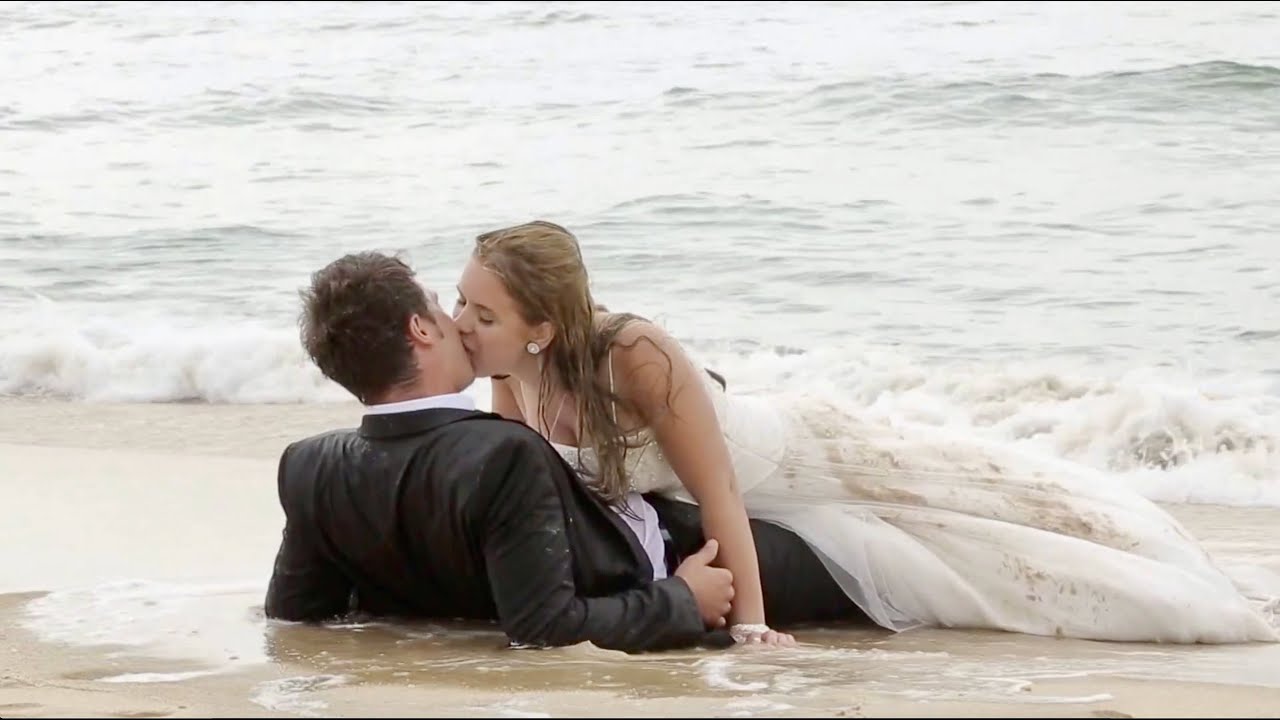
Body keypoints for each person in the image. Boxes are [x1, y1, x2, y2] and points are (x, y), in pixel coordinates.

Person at [451, 220, 1280, 645]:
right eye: (461, 301)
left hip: (803, 455)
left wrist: (751, 623)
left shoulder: (636, 354)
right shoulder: (510, 374)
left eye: (481, 311)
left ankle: (1198, 591)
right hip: (767, 500)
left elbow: (723, 493)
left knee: (1002, 506)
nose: (460, 321)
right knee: (933, 562)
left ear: (544, 325)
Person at [263, 251, 874, 654]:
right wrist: (681, 601)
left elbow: (292, 614)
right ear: (420, 333)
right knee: (861, 568)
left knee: (871, 546)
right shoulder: (502, 454)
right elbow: (547, 628)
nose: (460, 325)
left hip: (699, 504)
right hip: (686, 558)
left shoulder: (310, 466)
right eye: (442, 313)